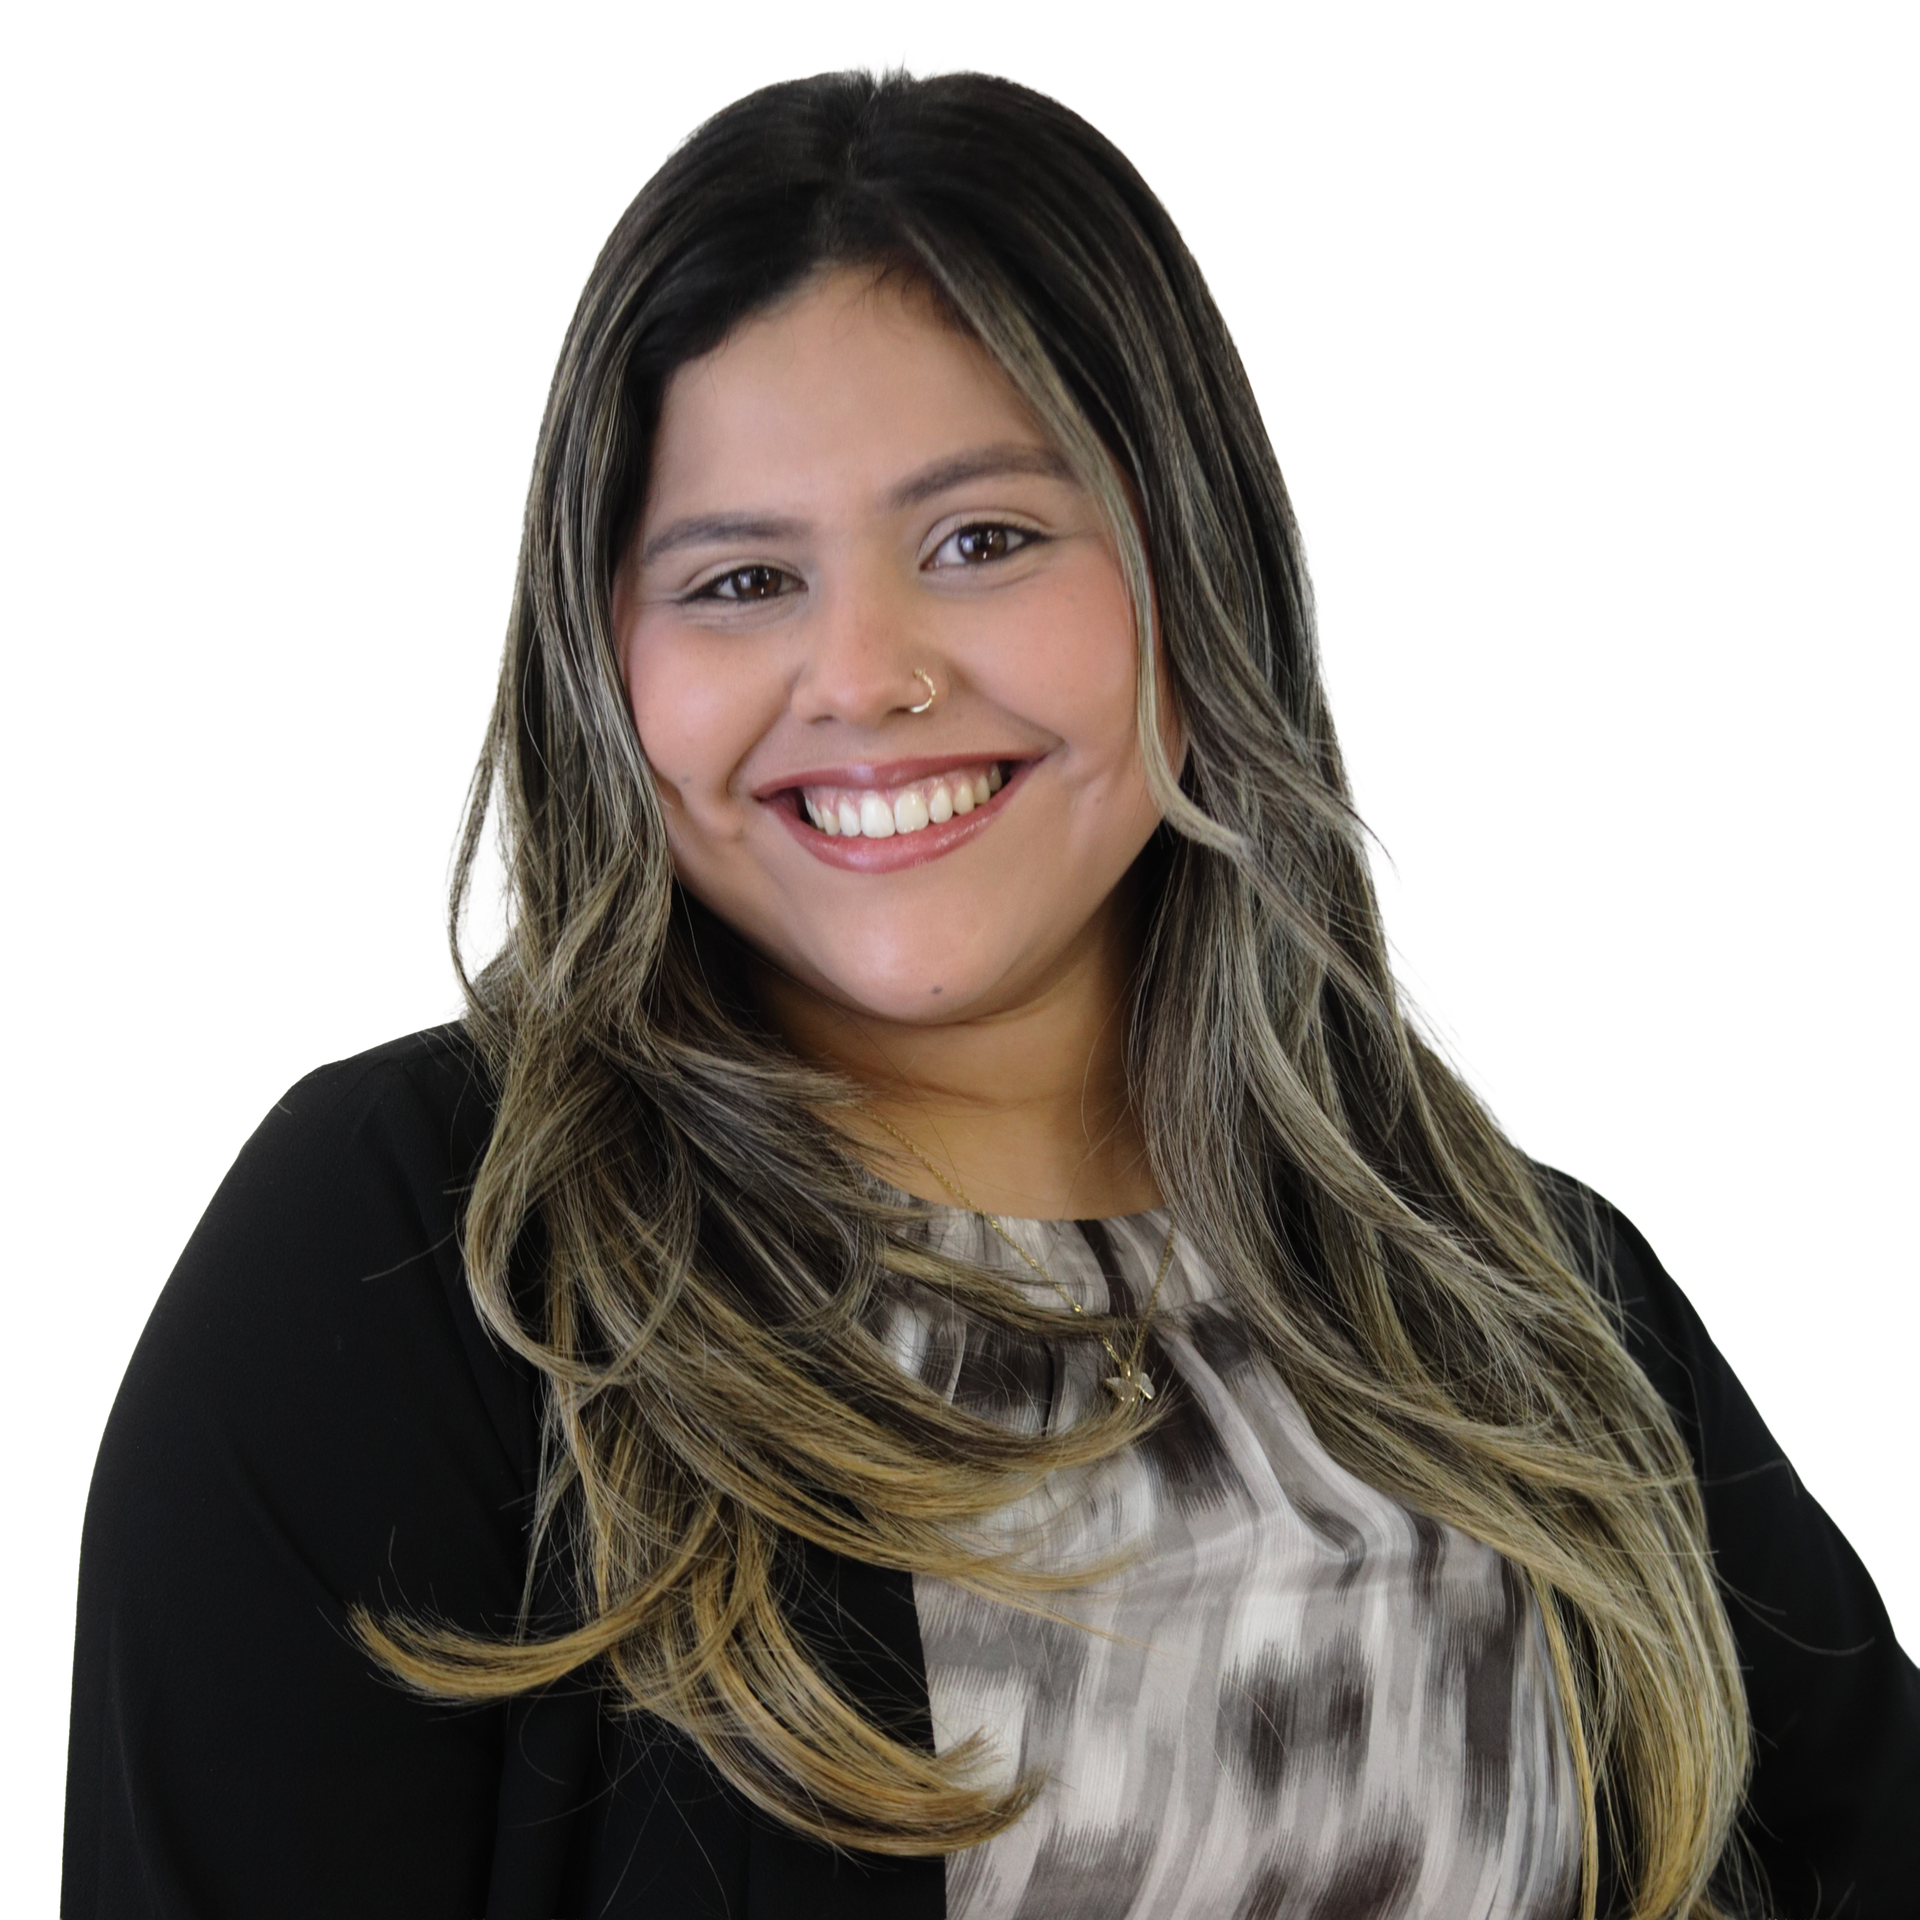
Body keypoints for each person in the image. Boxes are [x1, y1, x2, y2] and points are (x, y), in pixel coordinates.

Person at [62, 53, 1917, 1920]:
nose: (863, 673)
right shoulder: (423, 1256)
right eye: (735, 580)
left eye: (983, 541)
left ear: (1195, 583)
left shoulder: (1516, 1285)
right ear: (602, 659)